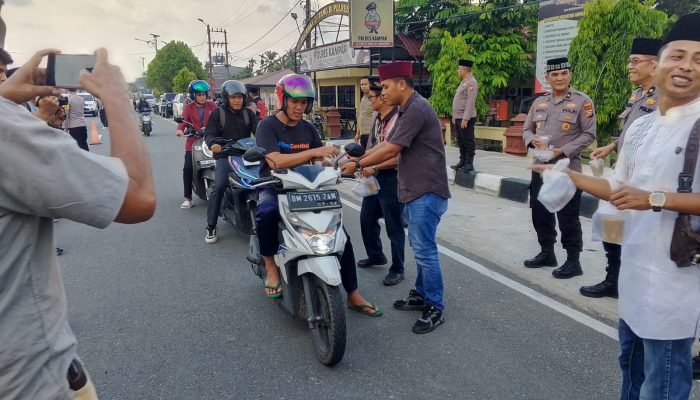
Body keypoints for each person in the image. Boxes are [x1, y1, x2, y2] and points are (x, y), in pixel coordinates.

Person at [532, 14, 700, 398]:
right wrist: (570, 176)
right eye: (678, 55)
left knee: (664, 380)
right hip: (636, 270)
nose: (687, 66)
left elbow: (644, 197)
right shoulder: (642, 126)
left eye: (699, 59)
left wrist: (655, 199)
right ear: (659, 64)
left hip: (679, 281)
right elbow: (618, 186)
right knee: (630, 365)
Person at [0, 48, 155, 400]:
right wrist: (116, 96)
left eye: (4, 71)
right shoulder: (7, 129)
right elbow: (138, 198)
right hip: (29, 381)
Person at [255, 73, 382, 316]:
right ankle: (270, 265)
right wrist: (315, 151)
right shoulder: (267, 126)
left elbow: (319, 160)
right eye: (294, 102)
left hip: (307, 188)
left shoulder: (309, 128)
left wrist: (330, 161)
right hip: (275, 185)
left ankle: (353, 293)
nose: (299, 107)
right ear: (283, 100)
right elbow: (275, 160)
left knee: (338, 234)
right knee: (266, 212)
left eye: (304, 103)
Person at [341, 61, 451, 333]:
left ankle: (435, 307)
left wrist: (356, 165)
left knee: (425, 251)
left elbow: (391, 149)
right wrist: (354, 158)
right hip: (415, 191)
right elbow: (382, 145)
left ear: (402, 84)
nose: (382, 92)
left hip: (427, 191)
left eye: (387, 87)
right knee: (420, 247)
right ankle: (421, 294)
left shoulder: (417, 109)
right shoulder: (406, 110)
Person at [579, 38, 661, 299]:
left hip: (646, 178)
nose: (629, 66)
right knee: (610, 223)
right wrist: (612, 147)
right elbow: (631, 131)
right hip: (624, 171)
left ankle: (632, 282)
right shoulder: (638, 94)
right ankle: (614, 279)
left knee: (638, 233)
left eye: (635, 61)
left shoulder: (665, 97)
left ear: (655, 64)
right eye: (630, 61)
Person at [521, 57, 596, 279]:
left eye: (563, 73)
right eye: (554, 74)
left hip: (566, 170)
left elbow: (589, 134)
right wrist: (532, 140)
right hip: (540, 168)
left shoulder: (583, 102)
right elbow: (526, 128)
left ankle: (573, 261)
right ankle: (547, 252)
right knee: (540, 212)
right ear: (547, 78)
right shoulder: (539, 102)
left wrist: (561, 151)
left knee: (567, 216)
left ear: (570, 74)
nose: (559, 78)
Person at [356, 76, 406, 286]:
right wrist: (361, 162)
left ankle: (398, 268)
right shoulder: (378, 117)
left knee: (394, 225)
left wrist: (371, 165)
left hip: (392, 177)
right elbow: (373, 146)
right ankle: (376, 255)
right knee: (367, 218)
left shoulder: (398, 120)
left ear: (382, 98)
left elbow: (397, 155)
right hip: (374, 176)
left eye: (373, 96)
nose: (370, 100)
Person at [203, 80, 258, 243]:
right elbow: (210, 134)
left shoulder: (249, 114)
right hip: (226, 156)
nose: (237, 101)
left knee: (265, 183)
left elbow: (260, 132)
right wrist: (213, 144)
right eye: (233, 97)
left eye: (240, 97)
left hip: (247, 156)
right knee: (219, 186)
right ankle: (211, 226)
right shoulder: (218, 114)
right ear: (226, 98)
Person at [176, 80, 217, 209]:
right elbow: (183, 121)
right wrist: (180, 130)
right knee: (187, 168)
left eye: (204, 94)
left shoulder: (212, 106)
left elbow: (219, 118)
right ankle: (188, 198)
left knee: (223, 162)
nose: (202, 97)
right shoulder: (189, 107)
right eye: (199, 95)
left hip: (211, 140)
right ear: (193, 95)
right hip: (193, 142)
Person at [450, 59, 479, 173]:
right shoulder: (464, 82)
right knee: (461, 140)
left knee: (468, 140)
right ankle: (462, 161)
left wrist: (465, 118)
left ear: (463, 70)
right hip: (458, 117)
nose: (458, 71)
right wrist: (455, 116)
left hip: (466, 118)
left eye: (459, 69)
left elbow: (470, 102)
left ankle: (469, 163)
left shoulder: (472, 82)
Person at [354, 76, 373, 149]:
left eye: (365, 84)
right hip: (363, 133)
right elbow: (361, 116)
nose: (363, 86)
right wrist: (357, 133)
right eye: (361, 85)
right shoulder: (363, 97)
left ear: (370, 85)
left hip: (370, 132)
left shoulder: (374, 97)